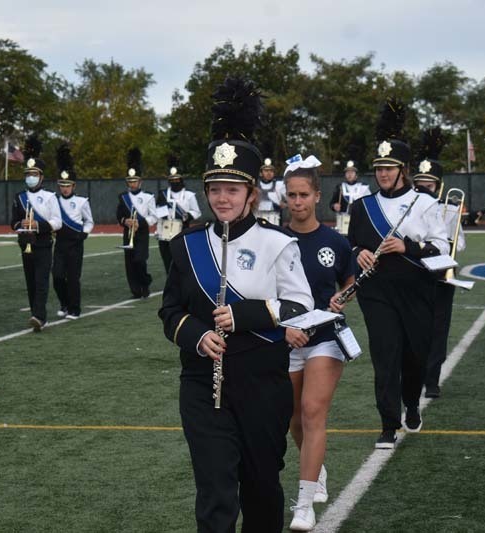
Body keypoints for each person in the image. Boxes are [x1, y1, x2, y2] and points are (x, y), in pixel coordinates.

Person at [158, 76, 313, 533]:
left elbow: (302, 306)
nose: (222, 198)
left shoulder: (277, 242)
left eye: (232, 189)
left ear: (251, 193)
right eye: (215, 188)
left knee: (262, 489)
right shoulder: (186, 247)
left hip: (264, 382)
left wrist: (246, 315)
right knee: (216, 493)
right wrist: (197, 334)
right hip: (203, 384)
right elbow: (169, 313)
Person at [336, 97, 449, 449]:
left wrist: (408, 247)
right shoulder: (362, 206)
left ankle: (412, 403)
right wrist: (360, 253)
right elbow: (349, 245)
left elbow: (443, 249)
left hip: (417, 290)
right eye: (379, 168)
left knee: (413, 356)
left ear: (404, 169)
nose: (383, 174)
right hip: (377, 292)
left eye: (390, 167)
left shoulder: (426, 203)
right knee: (385, 356)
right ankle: (387, 423)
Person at [282, 154, 355, 531]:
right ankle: (318, 468)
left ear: (317, 196)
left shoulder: (334, 242)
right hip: (288, 339)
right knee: (294, 420)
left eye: (304, 194)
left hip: (327, 338)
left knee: (312, 411)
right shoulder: (273, 240)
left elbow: (348, 281)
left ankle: (304, 504)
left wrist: (344, 297)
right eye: (291, 195)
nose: (297, 202)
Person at [411, 128, 466, 399]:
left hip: (442, 278)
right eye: (418, 183)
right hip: (415, 276)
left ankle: (432, 379)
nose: (422, 189)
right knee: (415, 329)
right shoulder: (409, 207)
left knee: (438, 330)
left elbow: (461, 245)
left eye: (428, 185)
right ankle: (415, 374)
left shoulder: (451, 209)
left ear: (439, 186)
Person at [10, 135, 62, 332]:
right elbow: (12, 222)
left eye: (34, 174)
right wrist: (21, 224)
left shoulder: (50, 197)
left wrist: (37, 224)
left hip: (43, 243)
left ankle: (39, 316)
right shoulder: (19, 197)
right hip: (25, 243)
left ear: (41, 177)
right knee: (30, 282)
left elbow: (57, 222)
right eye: (28, 173)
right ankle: (36, 314)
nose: (30, 177)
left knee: (41, 281)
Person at [52, 142, 94, 319]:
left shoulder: (82, 202)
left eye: (67, 185)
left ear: (74, 186)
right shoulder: (53, 200)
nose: (64, 188)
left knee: (73, 278)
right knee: (57, 276)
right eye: (62, 185)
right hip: (60, 242)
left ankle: (75, 309)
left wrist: (84, 233)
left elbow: (89, 221)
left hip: (75, 243)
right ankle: (64, 303)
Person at [116, 148, 158, 298]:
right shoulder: (122, 197)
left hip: (142, 232)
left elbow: (154, 216)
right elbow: (119, 215)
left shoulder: (148, 197)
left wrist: (141, 223)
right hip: (128, 232)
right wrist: (125, 221)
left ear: (140, 181)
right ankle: (135, 290)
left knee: (140, 260)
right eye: (130, 181)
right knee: (130, 263)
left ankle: (145, 283)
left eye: (134, 181)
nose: (132, 184)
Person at [156, 163, 201, 273]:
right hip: (165, 229)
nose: (174, 182)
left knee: (181, 259)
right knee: (167, 260)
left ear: (181, 180)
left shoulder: (189, 195)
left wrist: (187, 216)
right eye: (172, 180)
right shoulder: (162, 194)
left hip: (182, 230)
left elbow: (197, 212)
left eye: (176, 179)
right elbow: (158, 210)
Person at [256, 158, 286, 225]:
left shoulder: (279, 185)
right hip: (258, 217)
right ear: (261, 173)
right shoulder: (255, 186)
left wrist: (285, 204)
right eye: (266, 171)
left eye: (271, 171)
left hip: (274, 219)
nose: (269, 173)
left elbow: (289, 197)